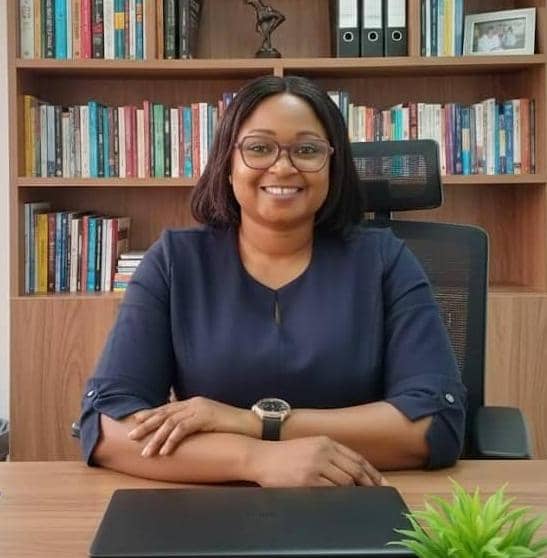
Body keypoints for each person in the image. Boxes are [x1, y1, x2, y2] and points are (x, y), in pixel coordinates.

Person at [80, 75, 466, 487]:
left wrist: (253, 422)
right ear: (228, 165)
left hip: (353, 497)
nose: (283, 167)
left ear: (332, 167)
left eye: (307, 150)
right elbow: (106, 426)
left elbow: (436, 421)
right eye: (259, 148)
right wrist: (258, 459)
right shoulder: (175, 262)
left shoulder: (385, 261)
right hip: (212, 503)